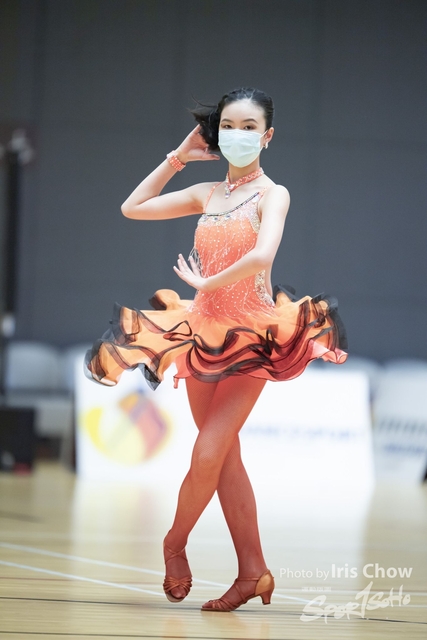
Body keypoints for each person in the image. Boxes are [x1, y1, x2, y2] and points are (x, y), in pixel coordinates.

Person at [85, 87, 348, 612]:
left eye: (250, 127)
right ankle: (253, 572)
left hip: (253, 333)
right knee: (225, 459)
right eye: (229, 125)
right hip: (201, 333)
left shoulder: (274, 194)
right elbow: (132, 208)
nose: (238, 134)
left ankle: (173, 543)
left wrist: (208, 282)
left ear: (267, 136)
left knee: (209, 451)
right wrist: (179, 157)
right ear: (217, 133)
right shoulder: (206, 193)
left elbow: (263, 255)